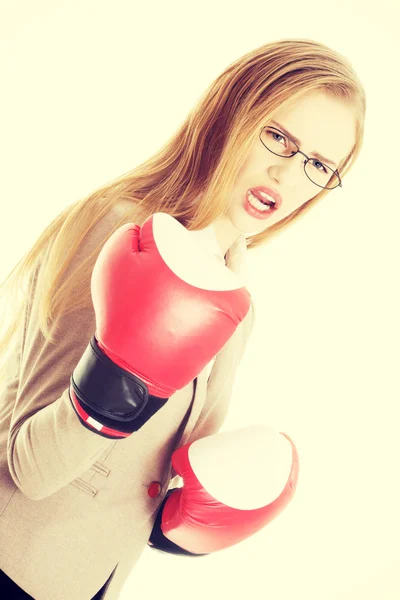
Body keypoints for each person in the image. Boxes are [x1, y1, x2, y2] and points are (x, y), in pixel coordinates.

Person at [0, 37, 366, 599]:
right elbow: (31, 465)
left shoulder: (237, 302)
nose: (288, 174)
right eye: (278, 137)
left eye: (318, 165)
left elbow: (146, 471)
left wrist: (186, 521)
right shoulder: (124, 234)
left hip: (91, 582)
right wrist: (114, 385)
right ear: (229, 118)